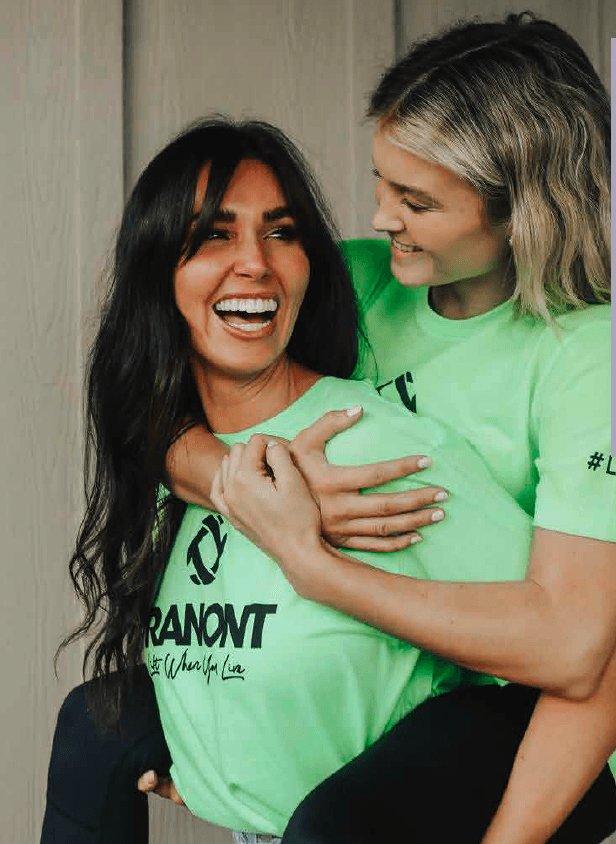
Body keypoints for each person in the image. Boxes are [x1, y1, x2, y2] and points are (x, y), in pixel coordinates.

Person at [41, 116, 584, 844]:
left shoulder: (375, 453)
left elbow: (570, 650)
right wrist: (228, 775)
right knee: (92, 728)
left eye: (281, 232)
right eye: (213, 236)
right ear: (157, 271)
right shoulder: (177, 448)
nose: (255, 263)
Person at [151, 12, 616, 844]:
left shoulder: (590, 357)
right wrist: (239, 486)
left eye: (416, 201)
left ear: (522, 209)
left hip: (536, 725)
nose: (381, 217)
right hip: (392, 682)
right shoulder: (361, 283)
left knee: (334, 825)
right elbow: (152, 407)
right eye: (381, 184)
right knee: (99, 728)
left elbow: (578, 655)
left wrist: (314, 566)